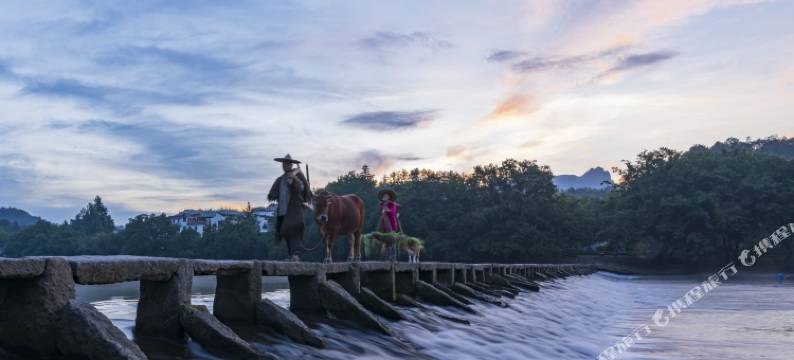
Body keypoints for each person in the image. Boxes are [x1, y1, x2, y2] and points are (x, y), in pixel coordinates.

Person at [267, 154, 311, 262]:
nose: (285, 165)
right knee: (286, 233)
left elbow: (303, 189)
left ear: (291, 165)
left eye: (287, 163)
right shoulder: (280, 179)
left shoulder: (298, 176)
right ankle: (291, 255)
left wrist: (296, 177)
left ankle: (296, 255)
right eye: (284, 163)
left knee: (295, 232)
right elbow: (272, 195)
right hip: (283, 211)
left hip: (294, 211)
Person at [377, 188, 400, 260]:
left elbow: (393, 212)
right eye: (384, 195)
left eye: (386, 196)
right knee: (386, 241)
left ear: (389, 197)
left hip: (391, 224)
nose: (384, 196)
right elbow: (382, 213)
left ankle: (393, 257)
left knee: (392, 240)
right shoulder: (381, 204)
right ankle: (388, 257)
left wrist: (388, 210)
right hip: (384, 224)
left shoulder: (392, 204)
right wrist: (384, 207)